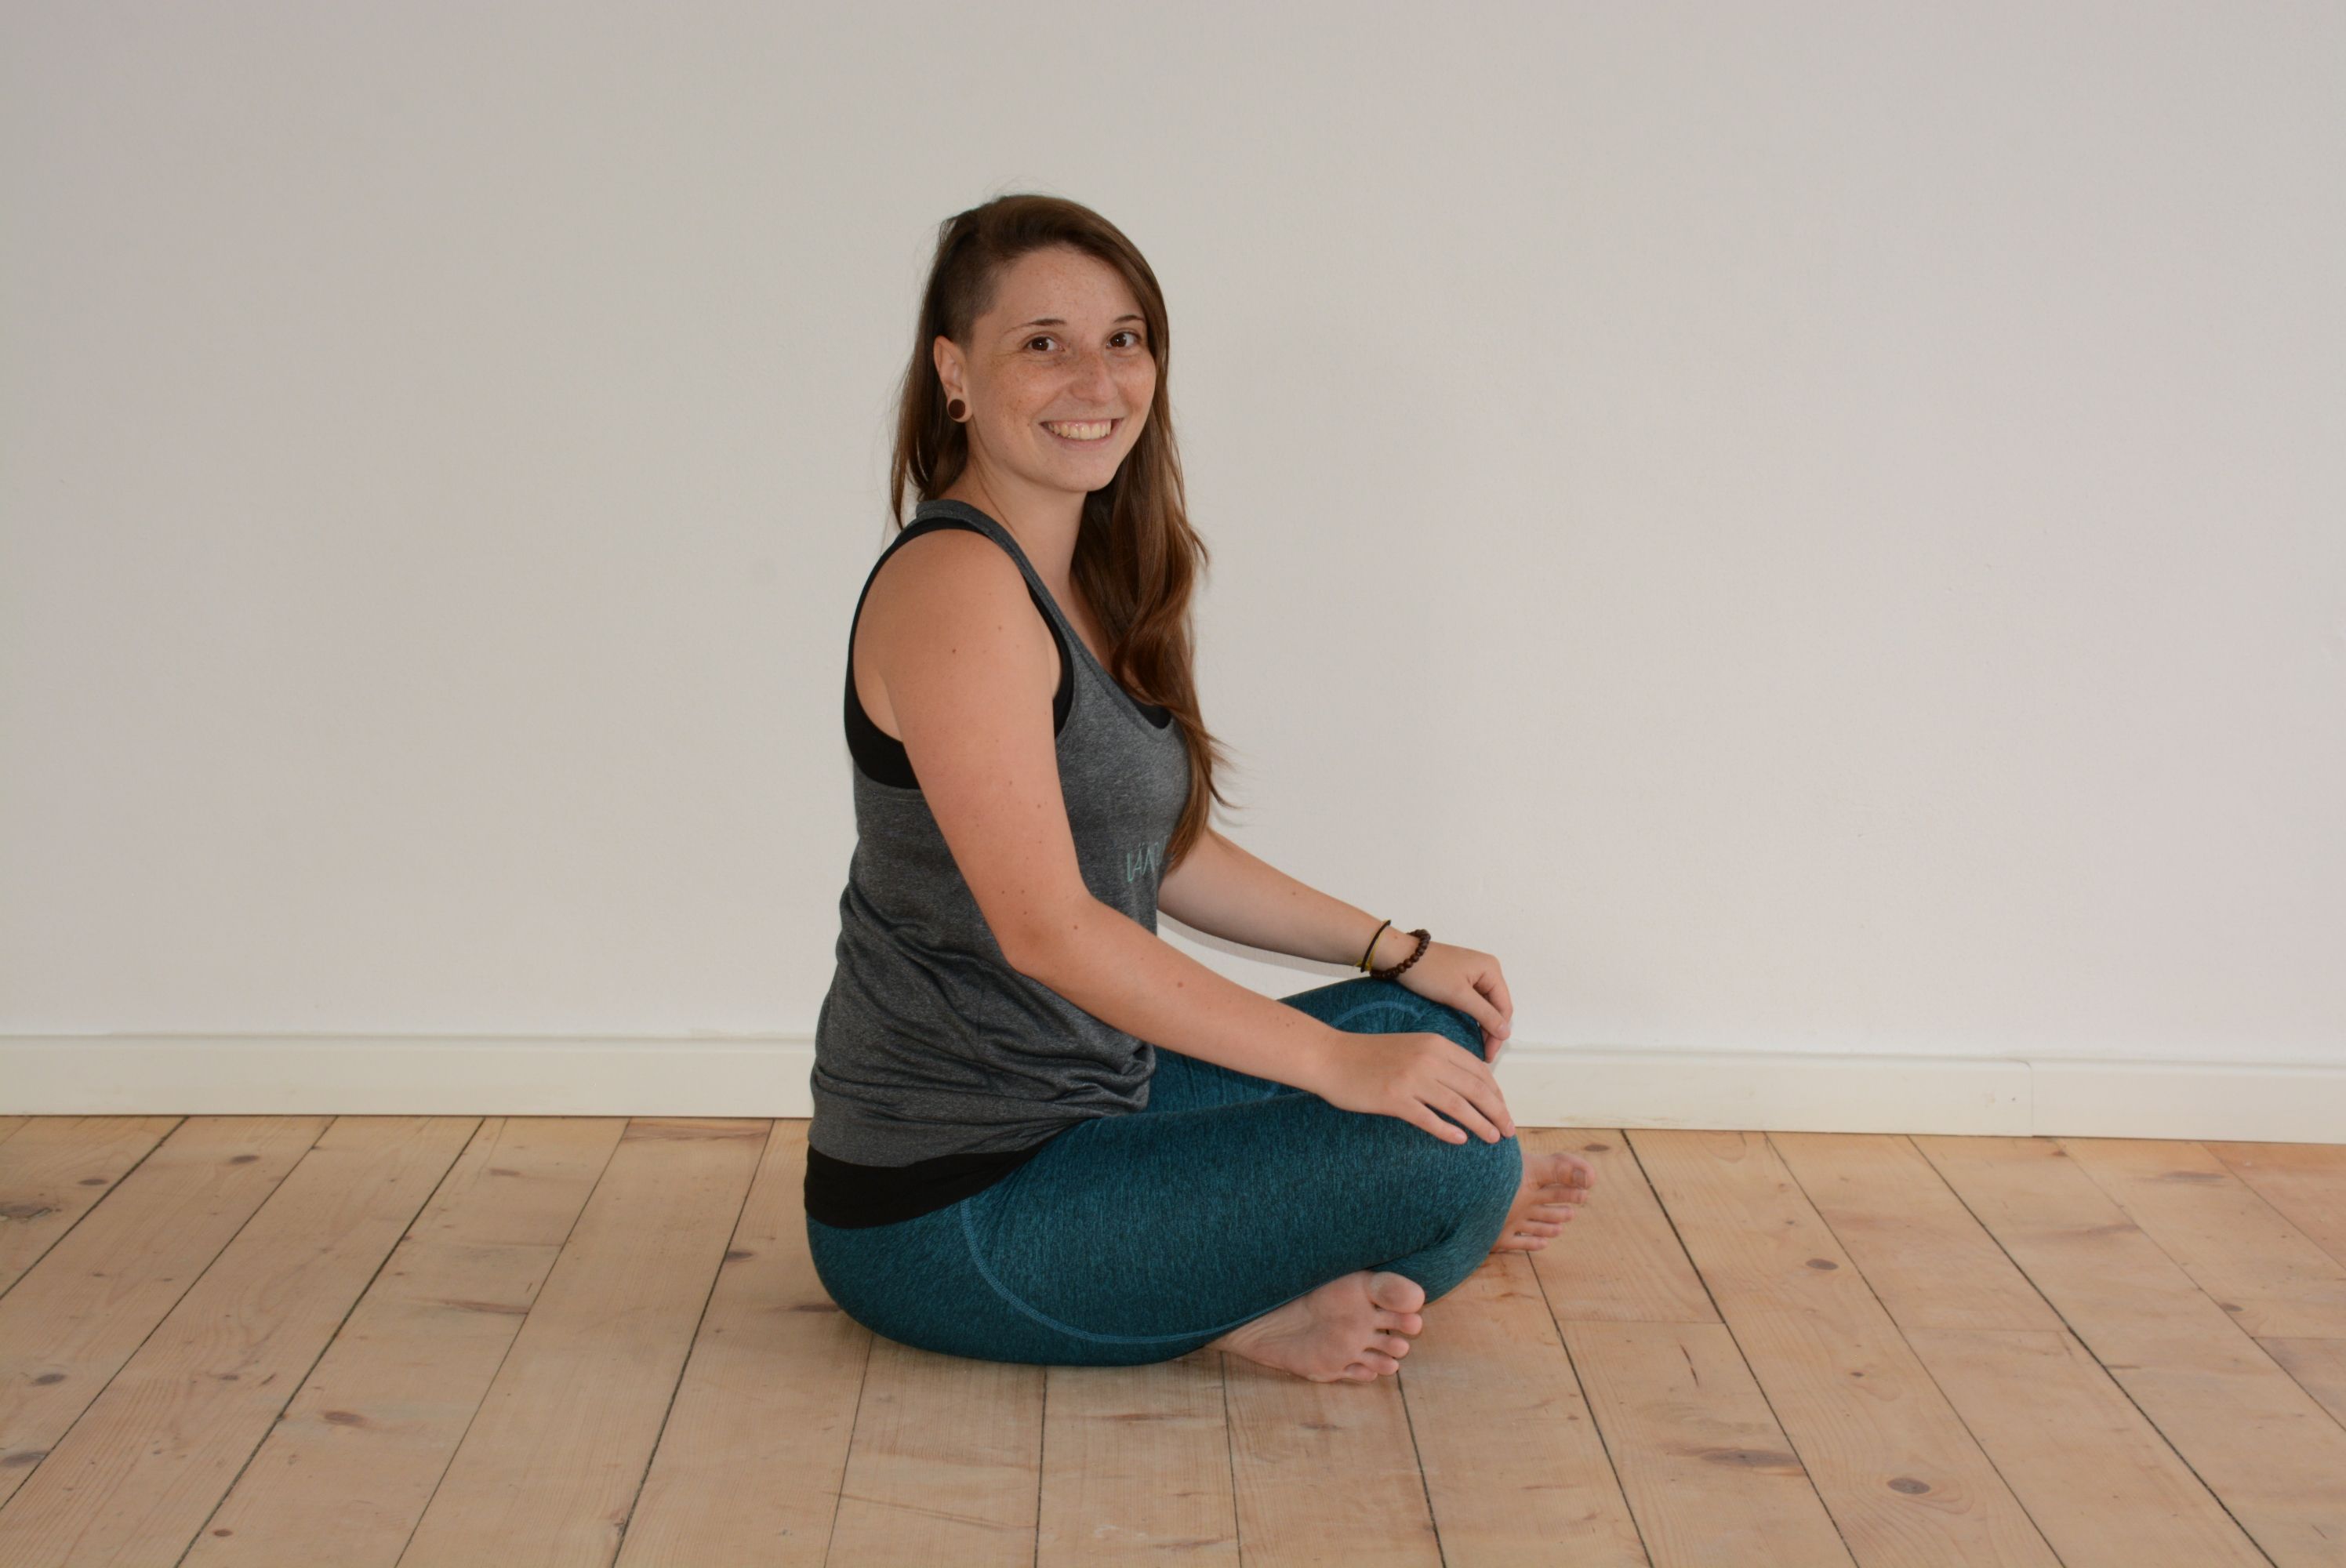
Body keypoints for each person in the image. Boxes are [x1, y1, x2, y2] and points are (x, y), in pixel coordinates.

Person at [804, 194, 1593, 1384]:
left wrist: (1398, 950)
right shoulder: (956, 587)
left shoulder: (1088, 578)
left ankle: (1293, 1254)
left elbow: (1164, 850)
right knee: (1452, 1154)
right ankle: (1256, 1307)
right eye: (1043, 343)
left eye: (1123, 339)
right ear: (955, 374)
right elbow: (1050, 930)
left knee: (1429, 1031)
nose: (1096, 379)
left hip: (1104, 1104)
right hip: (950, 1206)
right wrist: (1333, 1069)